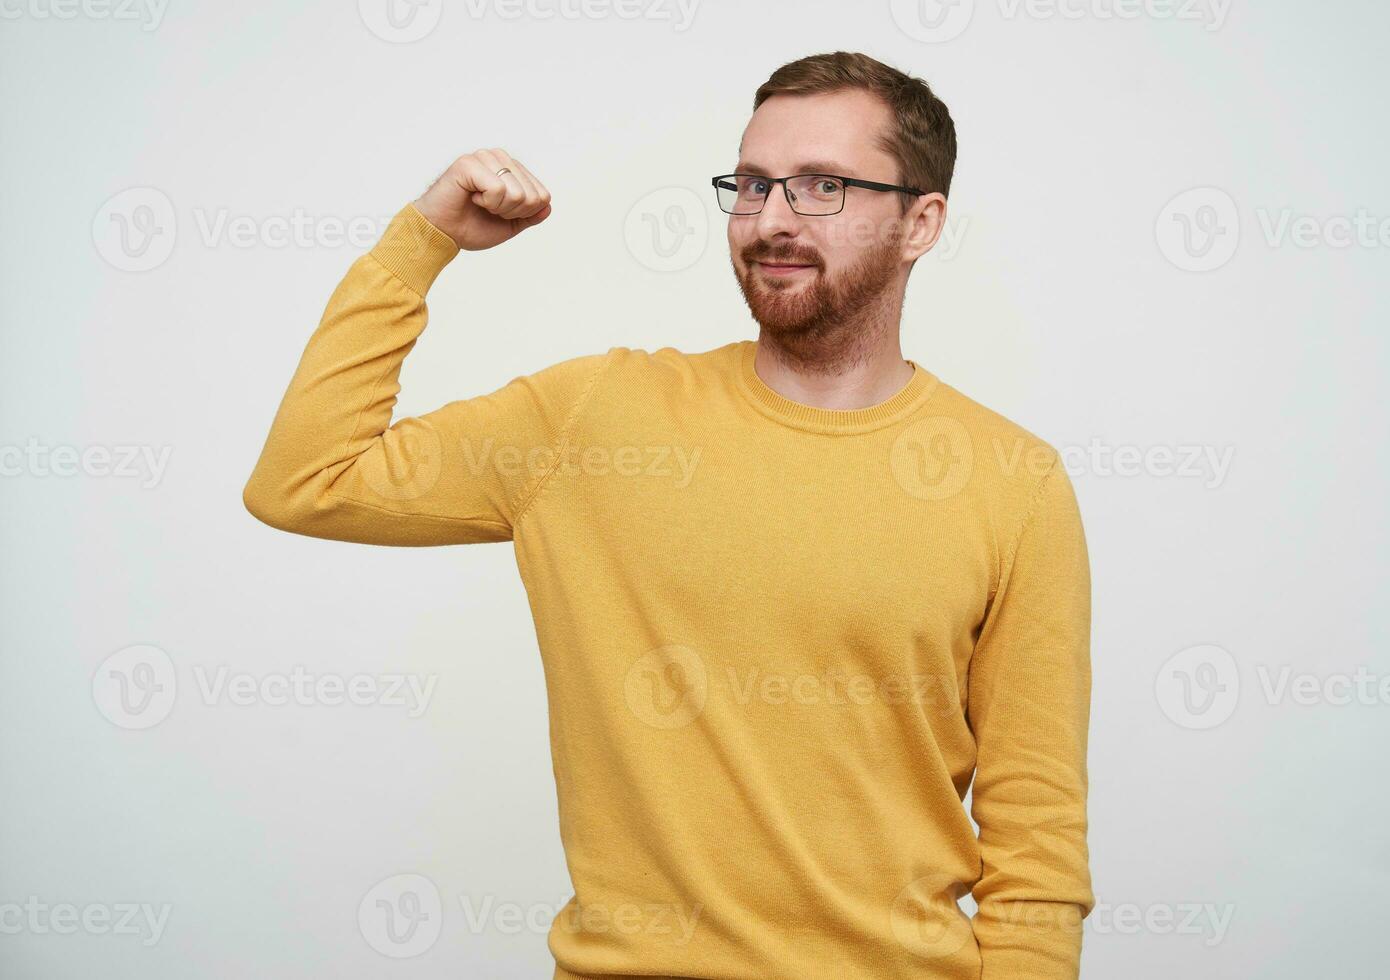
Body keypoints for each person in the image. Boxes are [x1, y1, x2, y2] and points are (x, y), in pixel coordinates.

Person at [243, 49, 1095, 980]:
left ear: (920, 221)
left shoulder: (1014, 482)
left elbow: (1036, 847)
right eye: (754, 184)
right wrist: (423, 241)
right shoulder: (596, 421)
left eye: (821, 186)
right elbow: (306, 476)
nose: (771, 220)